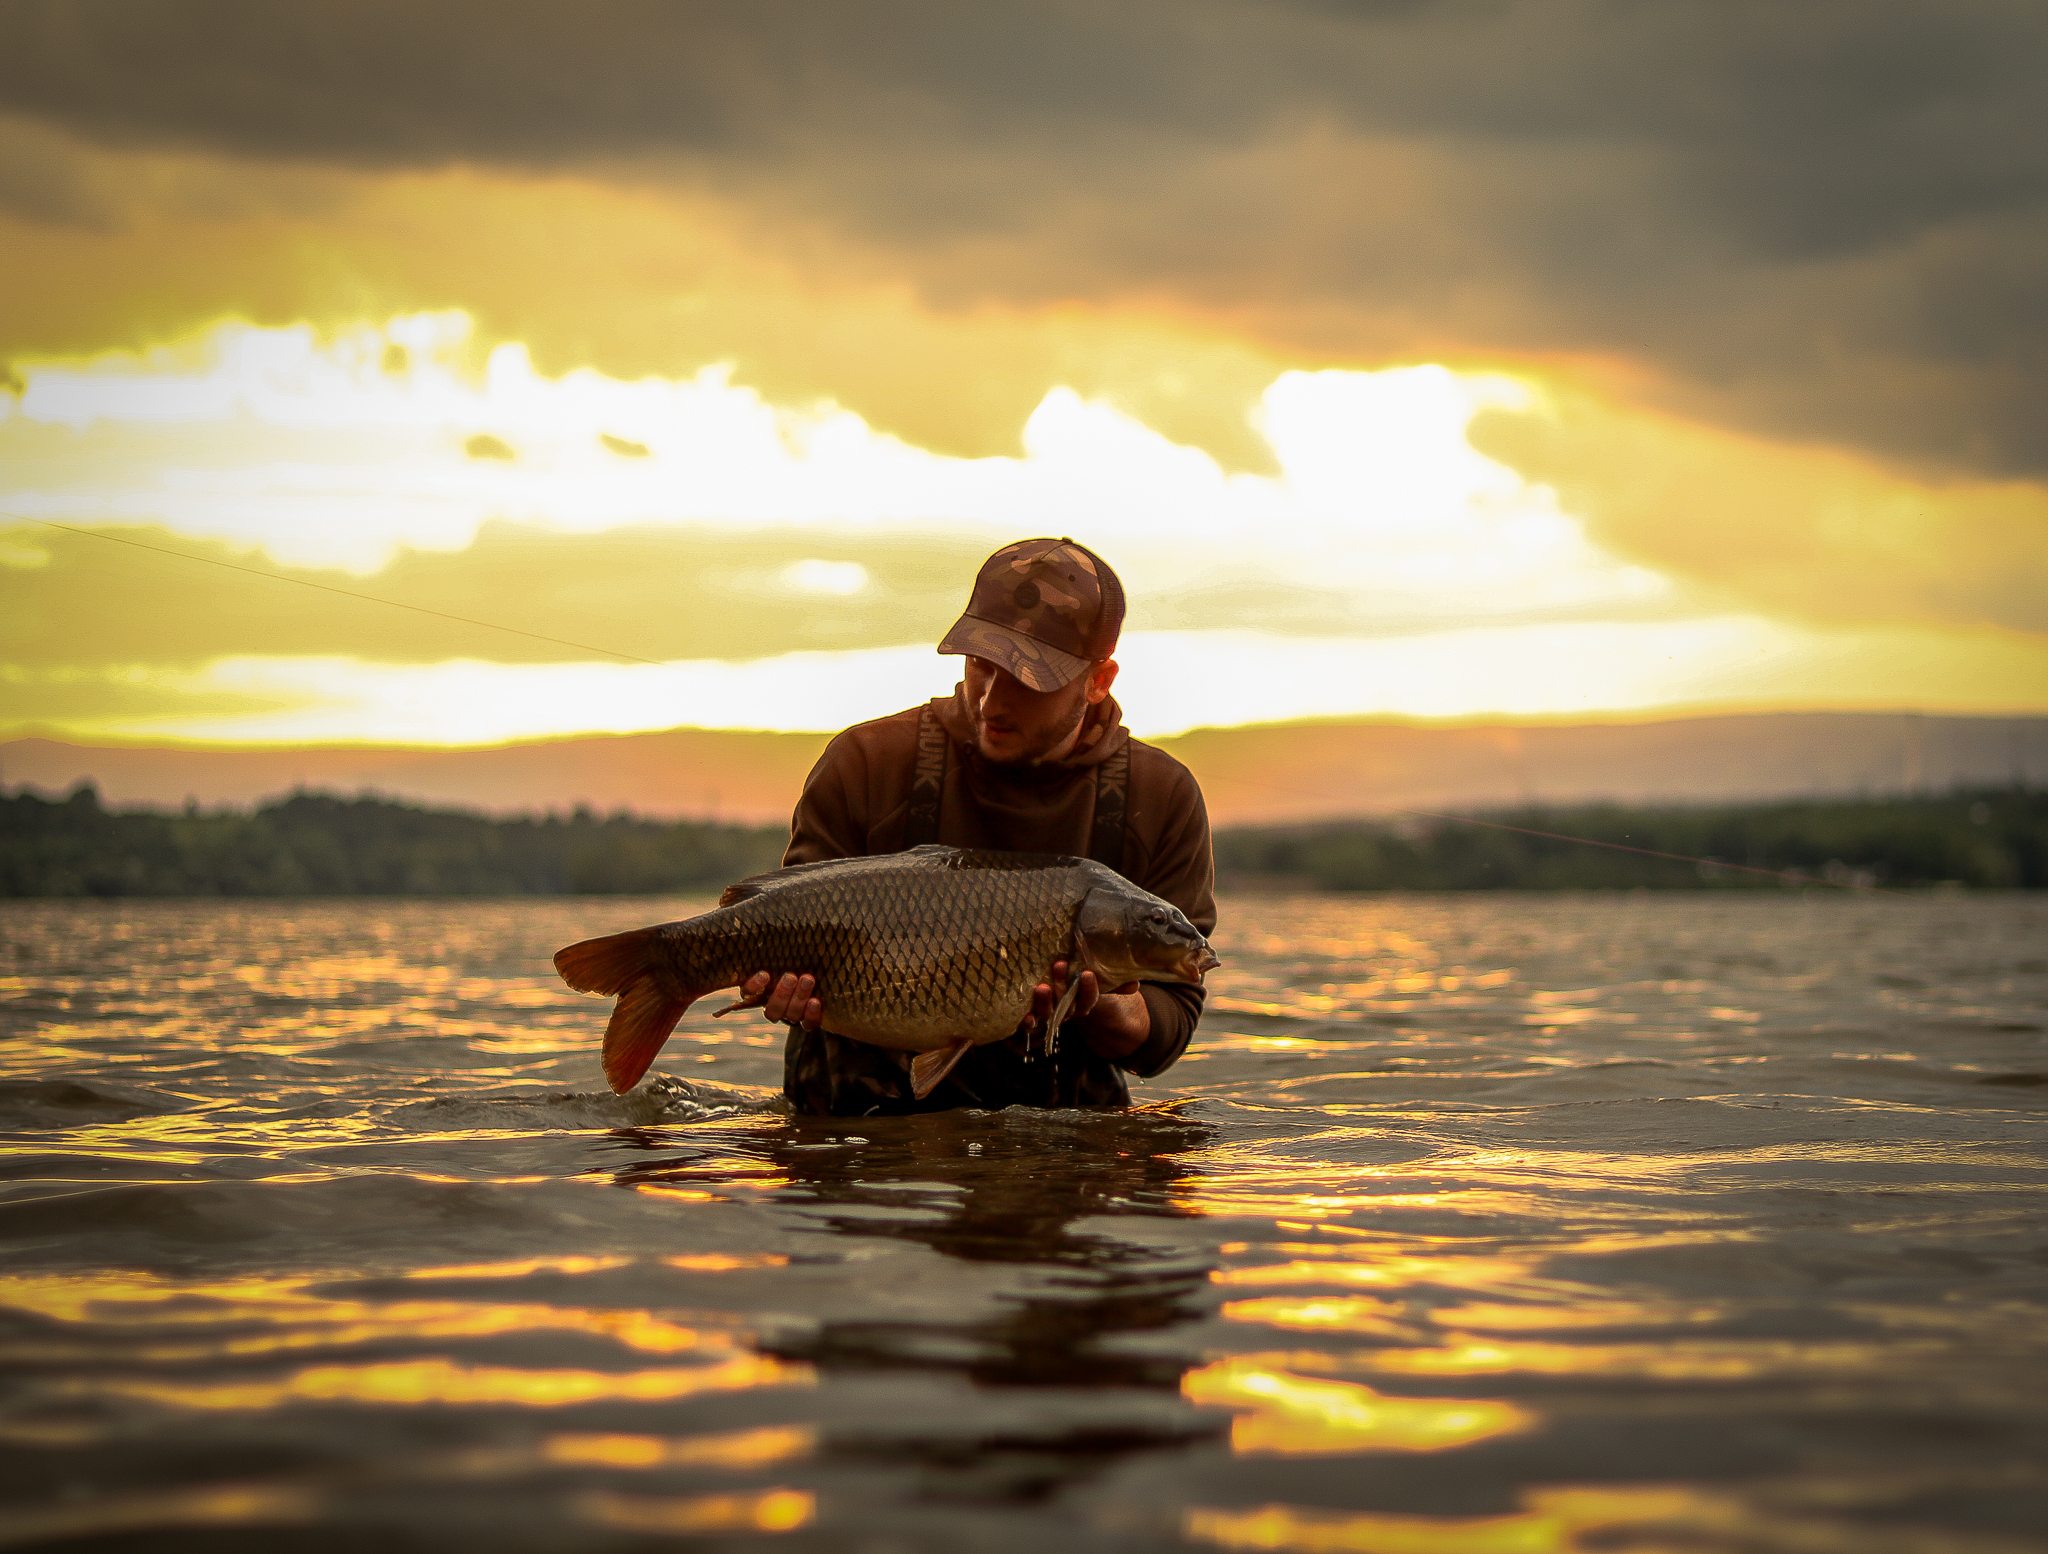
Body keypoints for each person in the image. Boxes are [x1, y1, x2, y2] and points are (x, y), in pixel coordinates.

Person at [738, 536, 1216, 1116]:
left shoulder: (1160, 796)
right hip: (857, 1134)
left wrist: (1102, 1006)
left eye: (1028, 680)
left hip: (1058, 1144)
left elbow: (1171, 1024)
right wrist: (784, 988)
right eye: (980, 667)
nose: (991, 702)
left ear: (1099, 680)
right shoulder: (866, 763)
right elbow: (785, 921)